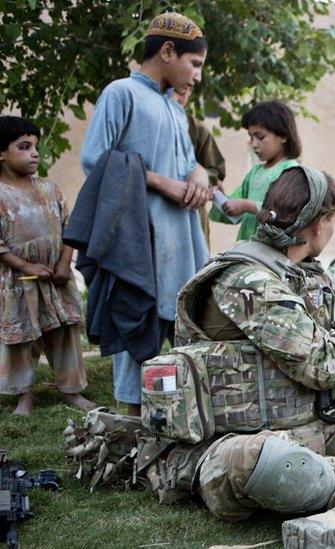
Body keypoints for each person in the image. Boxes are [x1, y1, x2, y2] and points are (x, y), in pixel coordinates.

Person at [178, 165, 335, 549]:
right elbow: (321, 365)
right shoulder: (249, 281)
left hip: (307, 428)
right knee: (279, 464)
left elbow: (317, 289)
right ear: (318, 225)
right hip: (241, 446)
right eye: (334, 222)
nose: (332, 231)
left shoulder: (277, 264)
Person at [79, 12, 211, 416]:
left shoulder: (175, 108)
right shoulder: (121, 93)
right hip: (140, 240)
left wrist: (198, 175)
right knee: (138, 326)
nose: (198, 76)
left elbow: (189, 162)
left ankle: (174, 419)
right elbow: (95, 159)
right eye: (195, 64)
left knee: (184, 331)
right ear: (168, 51)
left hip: (182, 240)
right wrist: (160, 182)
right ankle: (130, 430)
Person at [0, 116, 96, 416]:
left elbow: (70, 229)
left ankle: (71, 390)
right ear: (1, 153)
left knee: (65, 331)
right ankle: (24, 396)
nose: (34, 153)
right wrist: (25, 266)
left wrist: (65, 262)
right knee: (23, 337)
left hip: (56, 275)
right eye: (24, 147)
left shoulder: (50, 189)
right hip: (19, 281)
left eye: (36, 147)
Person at [210, 100, 301, 241]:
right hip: (246, 252)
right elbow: (234, 211)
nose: (253, 144)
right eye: (251, 137)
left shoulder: (291, 171)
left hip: (270, 256)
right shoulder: (254, 173)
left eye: (260, 137)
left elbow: (286, 216)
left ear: (283, 135)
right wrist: (219, 197)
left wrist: (248, 206)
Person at [172, 86, 226, 250]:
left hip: (192, 211)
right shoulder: (146, 124)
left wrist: (200, 175)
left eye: (182, 92)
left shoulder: (197, 130)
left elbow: (216, 171)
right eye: (169, 91)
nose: (175, 98)